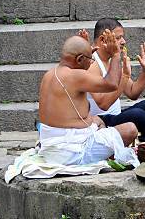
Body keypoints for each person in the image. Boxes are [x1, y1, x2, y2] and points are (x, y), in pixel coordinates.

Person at [37, 31, 138, 166]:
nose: (91, 63)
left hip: (51, 149)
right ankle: (108, 154)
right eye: (90, 59)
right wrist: (115, 55)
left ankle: (106, 150)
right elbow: (112, 84)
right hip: (70, 153)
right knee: (130, 129)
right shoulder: (75, 76)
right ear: (79, 59)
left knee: (97, 120)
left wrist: (85, 50)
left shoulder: (49, 75)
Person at [78, 18, 145, 142]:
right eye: (118, 38)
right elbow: (103, 104)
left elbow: (133, 92)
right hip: (100, 120)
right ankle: (144, 138)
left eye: (122, 37)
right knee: (139, 115)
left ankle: (137, 130)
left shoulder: (113, 60)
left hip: (115, 117)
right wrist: (125, 77)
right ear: (103, 40)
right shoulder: (92, 63)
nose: (123, 41)